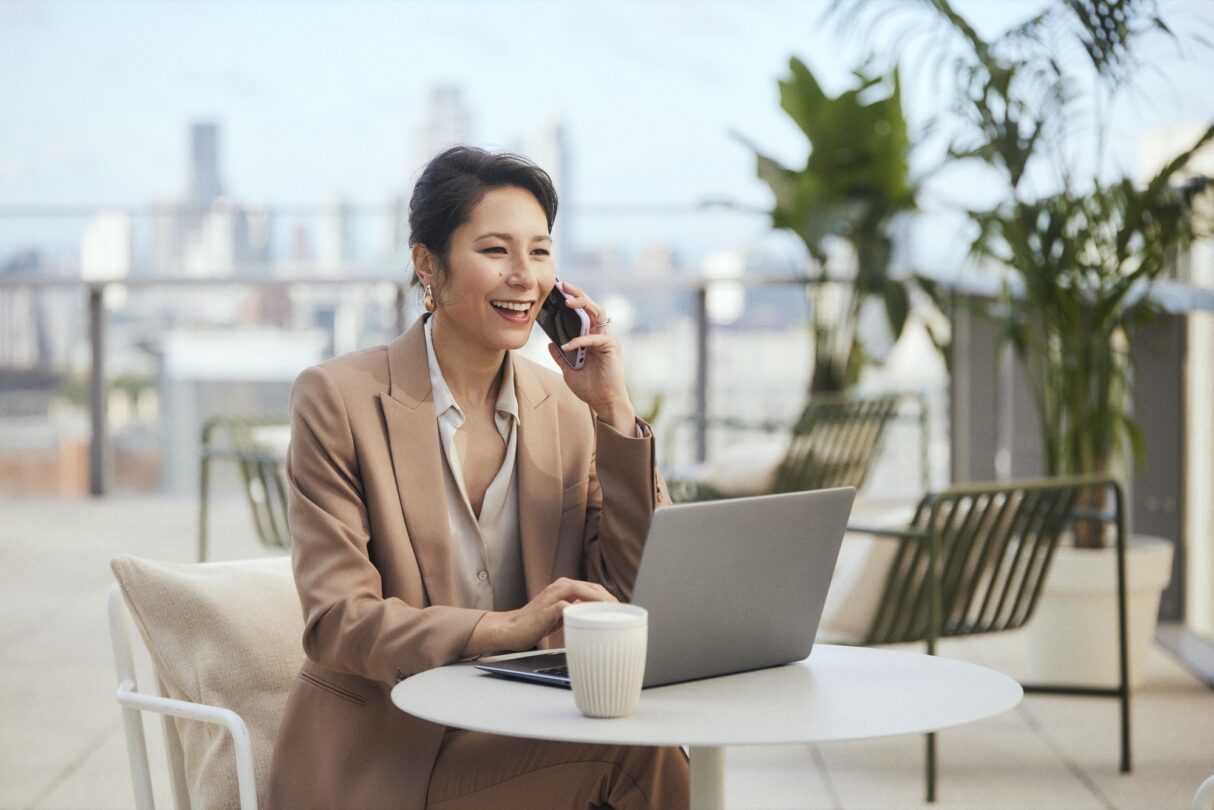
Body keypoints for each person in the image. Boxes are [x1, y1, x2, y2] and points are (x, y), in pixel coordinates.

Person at [268, 146, 689, 809]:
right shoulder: (337, 400)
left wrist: (614, 411)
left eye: (541, 252)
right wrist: (507, 629)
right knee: (632, 750)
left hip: (524, 730)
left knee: (651, 738)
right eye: (497, 251)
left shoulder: (569, 412)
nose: (526, 277)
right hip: (385, 755)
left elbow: (636, 590)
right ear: (426, 264)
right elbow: (337, 622)